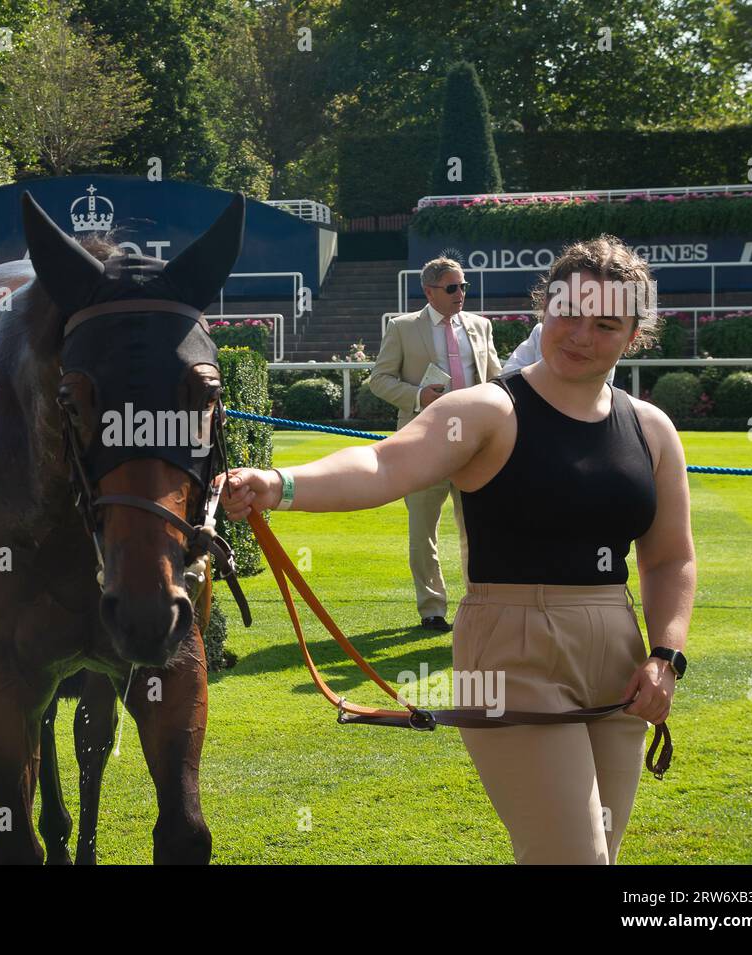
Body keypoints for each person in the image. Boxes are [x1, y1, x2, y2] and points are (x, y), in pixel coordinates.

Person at [225, 235, 694, 864]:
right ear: (544, 309)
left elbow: (670, 558)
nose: (581, 335)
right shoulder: (487, 410)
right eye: (569, 314)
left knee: (597, 856)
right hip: (511, 649)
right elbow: (383, 465)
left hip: (620, 651)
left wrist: (666, 656)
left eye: (606, 324)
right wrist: (280, 484)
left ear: (634, 335)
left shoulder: (651, 429)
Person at [367, 257, 503, 631]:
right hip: (424, 443)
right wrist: (418, 396)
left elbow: (496, 380)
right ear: (429, 292)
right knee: (422, 532)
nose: (461, 294)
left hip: (475, 445)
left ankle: (480, 603)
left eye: (463, 286)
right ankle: (432, 609)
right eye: (452, 288)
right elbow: (379, 379)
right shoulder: (402, 327)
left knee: (479, 531)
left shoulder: (481, 326)